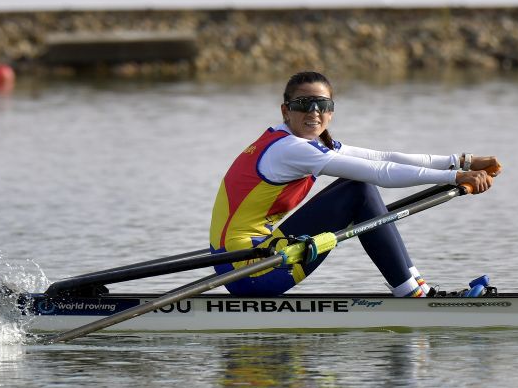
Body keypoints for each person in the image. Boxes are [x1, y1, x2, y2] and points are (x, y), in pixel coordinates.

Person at [208, 71, 501, 298]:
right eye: (303, 104)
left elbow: (384, 157)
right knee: (359, 189)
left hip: (252, 257)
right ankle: (412, 293)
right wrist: (454, 178)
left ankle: (416, 287)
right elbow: (381, 173)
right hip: (249, 271)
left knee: (359, 187)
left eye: (322, 105)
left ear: (331, 112)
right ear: (286, 111)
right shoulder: (290, 149)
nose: (313, 112)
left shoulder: (300, 142)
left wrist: (461, 161)